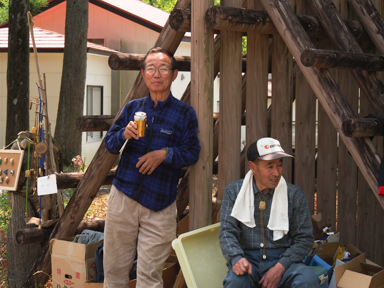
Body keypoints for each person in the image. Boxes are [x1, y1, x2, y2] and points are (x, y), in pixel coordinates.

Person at [103, 47, 201, 288]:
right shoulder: (132, 108)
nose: (157, 74)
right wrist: (124, 134)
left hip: (160, 204)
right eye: (151, 68)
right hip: (123, 197)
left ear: (174, 74)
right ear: (143, 74)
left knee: (149, 278)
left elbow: (192, 152)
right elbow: (110, 144)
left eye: (163, 68)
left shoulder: (184, 113)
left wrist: (164, 154)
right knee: (114, 273)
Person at [219, 137, 319, 288]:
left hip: (283, 261)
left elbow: (304, 239)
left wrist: (280, 267)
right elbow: (227, 232)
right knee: (235, 283)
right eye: (270, 166)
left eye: (280, 165)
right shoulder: (234, 192)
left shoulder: (294, 195)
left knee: (308, 280)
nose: (277, 173)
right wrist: (236, 258)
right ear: (253, 167)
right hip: (248, 261)